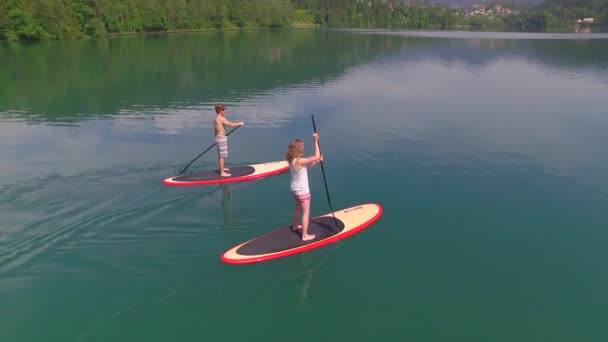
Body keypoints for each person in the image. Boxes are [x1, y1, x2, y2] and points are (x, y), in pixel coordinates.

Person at [285, 132, 323, 241]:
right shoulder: (299, 161)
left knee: (297, 207)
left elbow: (309, 164)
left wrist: (317, 160)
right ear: (299, 149)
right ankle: (305, 235)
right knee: (306, 212)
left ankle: (295, 226)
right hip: (302, 191)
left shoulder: (292, 159)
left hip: (295, 189)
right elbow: (314, 156)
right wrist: (315, 141)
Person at [213, 104, 244, 177]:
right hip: (221, 139)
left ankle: (222, 169)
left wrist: (220, 136)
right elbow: (230, 124)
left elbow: (216, 129)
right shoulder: (221, 118)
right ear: (220, 110)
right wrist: (239, 123)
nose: (225, 110)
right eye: (224, 109)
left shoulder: (215, 118)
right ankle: (222, 173)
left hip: (218, 138)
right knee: (222, 157)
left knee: (221, 155)